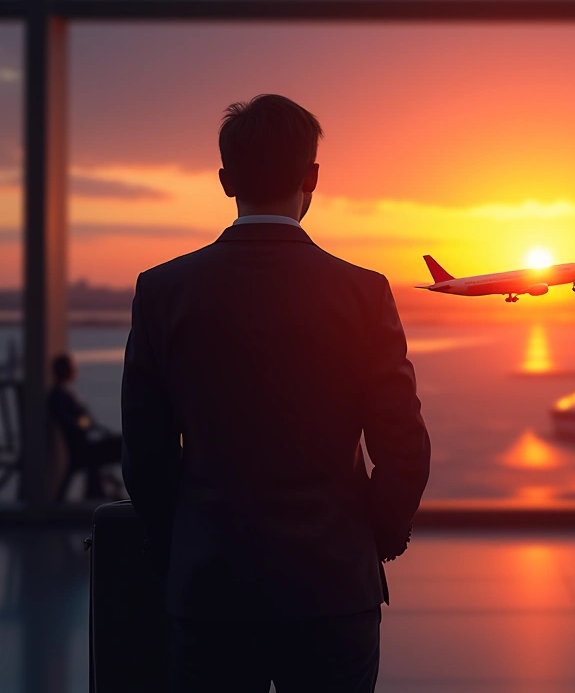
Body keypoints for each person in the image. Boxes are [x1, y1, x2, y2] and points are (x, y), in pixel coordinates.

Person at [121, 94, 431, 692]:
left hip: (209, 590)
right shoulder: (363, 294)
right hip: (333, 589)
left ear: (224, 179)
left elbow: (146, 455)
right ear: (312, 177)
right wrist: (374, 540)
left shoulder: (162, 291)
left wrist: (180, 550)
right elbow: (404, 448)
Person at [48, 353, 123, 500]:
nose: (75, 370)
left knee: (120, 443)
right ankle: (100, 491)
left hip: (83, 445)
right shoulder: (59, 396)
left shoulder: (61, 394)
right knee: (122, 445)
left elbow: (81, 421)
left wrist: (87, 423)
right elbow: (75, 422)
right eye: (72, 367)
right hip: (82, 448)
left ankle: (97, 490)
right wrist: (85, 423)